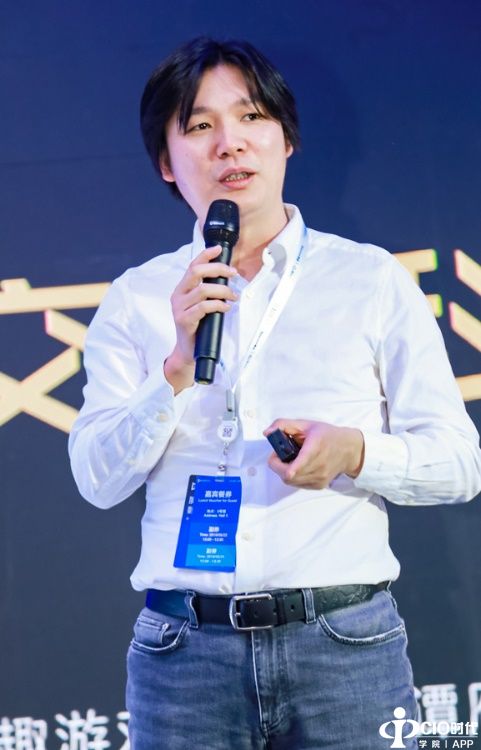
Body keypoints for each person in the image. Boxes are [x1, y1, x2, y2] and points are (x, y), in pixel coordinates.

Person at [68, 37, 481, 749]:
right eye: (200, 125)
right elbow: (97, 479)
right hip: (183, 657)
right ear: (166, 161)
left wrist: (355, 453)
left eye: (251, 116)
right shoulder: (137, 299)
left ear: (286, 138)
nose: (229, 142)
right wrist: (174, 368)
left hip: (344, 648)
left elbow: (459, 463)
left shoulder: (370, 280)